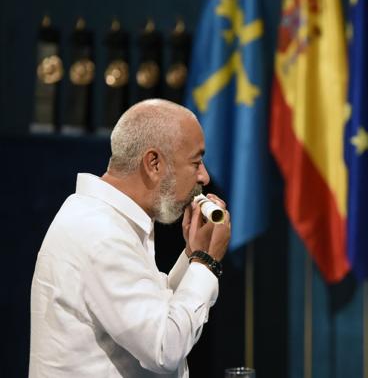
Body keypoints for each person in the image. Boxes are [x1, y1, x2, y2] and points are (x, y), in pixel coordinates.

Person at [29, 99, 231, 377]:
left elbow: (154, 315)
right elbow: (165, 348)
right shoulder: (100, 231)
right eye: (195, 162)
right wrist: (207, 263)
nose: (204, 176)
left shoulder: (109, 221)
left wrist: (192, 256)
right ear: (154, 163)